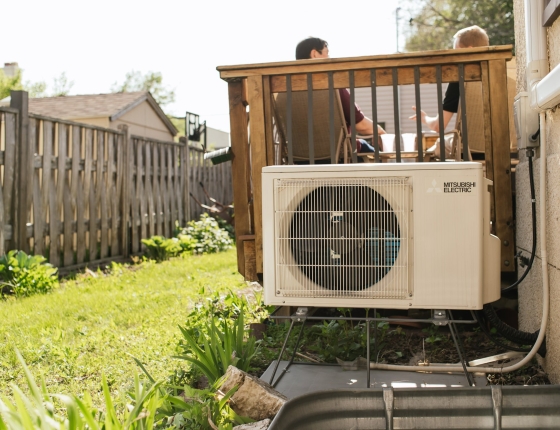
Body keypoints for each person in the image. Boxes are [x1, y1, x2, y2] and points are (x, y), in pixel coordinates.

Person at [295, 37, 386, 153]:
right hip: (340, 155)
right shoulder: (332, 87)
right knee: (381, 159)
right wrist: (380, 132)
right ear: (314, 54)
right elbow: (361, 125)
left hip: (300, 158)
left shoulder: (284, 92)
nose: (329, 58)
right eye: (326, 53)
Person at [410, 25, 490, 133]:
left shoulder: (459, 78)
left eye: (456, 51)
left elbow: (438, 126)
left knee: (436, 147)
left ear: (469, 51)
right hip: (501, 142)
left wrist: (424, 118)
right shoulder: (500, 75)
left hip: (468, 146)